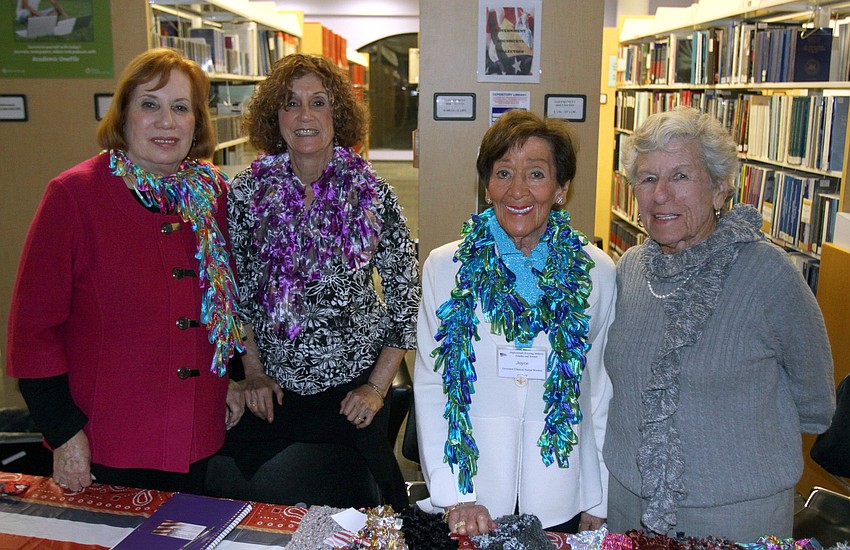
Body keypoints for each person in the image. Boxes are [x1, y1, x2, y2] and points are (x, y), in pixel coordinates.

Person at [6, 48, 245, 495]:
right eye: (149, 105)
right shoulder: (74, 196)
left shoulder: (211, 192)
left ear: (197, 123)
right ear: (124, 116)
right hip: (106, 443)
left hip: (196, 433)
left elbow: (219, 305)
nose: (166, 121)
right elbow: (32, 334)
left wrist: (229, 377)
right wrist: (63, 433)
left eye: (181, 108)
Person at [603, 107, 835, 541]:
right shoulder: (629, 269)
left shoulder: (768, 274)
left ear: (720, 189)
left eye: (680, 176)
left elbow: (816, 400)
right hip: (628, 506)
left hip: (737, 517)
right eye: (648, 178)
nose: (660, 195)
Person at [223, 53, 420, 511]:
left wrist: (376, 388)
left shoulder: (372, 193)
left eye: (319, 102)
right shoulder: (247, 193)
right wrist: (253, 372)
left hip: (353, 387)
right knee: (234, 493)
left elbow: (407, 297)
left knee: (370, 507)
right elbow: (236, 292)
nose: (305, 116)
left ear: (338, 114)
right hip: (273, 386)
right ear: (275, 117)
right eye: (291, 104)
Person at [414, 109, 616, 536]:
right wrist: (455, 494)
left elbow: (598, 388)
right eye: (503, 173)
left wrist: (597, 497)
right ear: (487, 186)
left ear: (561, 189)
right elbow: (434, 386)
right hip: (474, 495)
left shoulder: (596, 271)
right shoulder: (445, 268)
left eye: (536, 174)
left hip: (563, 488)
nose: (518, 190)